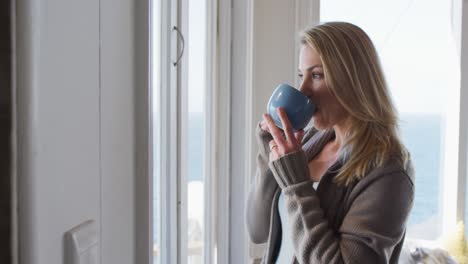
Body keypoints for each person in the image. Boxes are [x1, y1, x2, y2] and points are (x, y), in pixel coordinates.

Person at [246, 22, 415, 264]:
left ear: (354, 81)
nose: (303, 90)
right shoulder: (309, 143)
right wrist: (269, 153)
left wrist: (296, 185)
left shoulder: (389, 170)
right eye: (301, 75)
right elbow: (258, 230)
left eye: (316, 75)